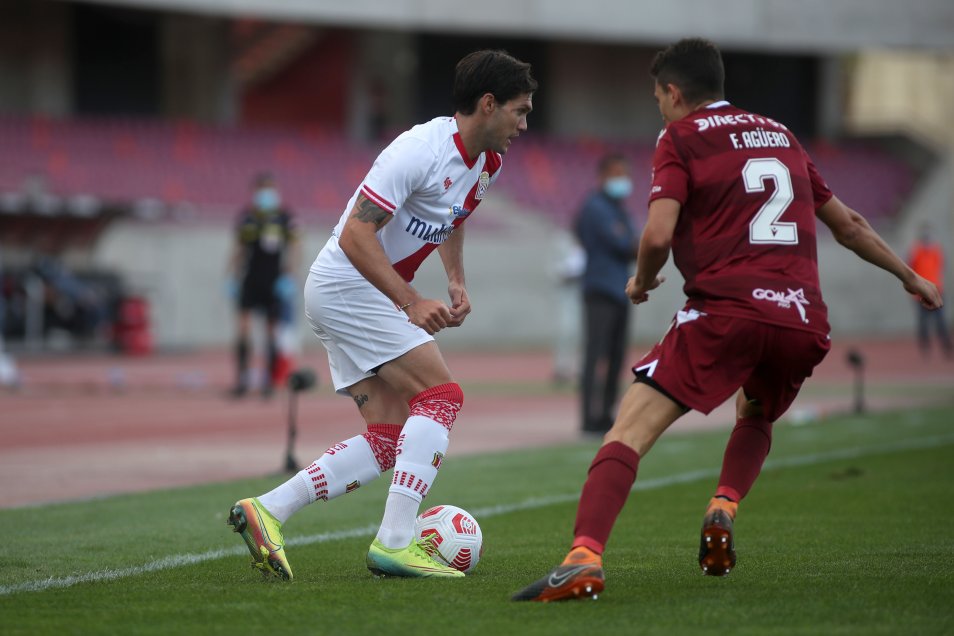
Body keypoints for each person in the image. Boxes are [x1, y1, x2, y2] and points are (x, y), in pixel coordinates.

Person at [512, 37, 943, 602]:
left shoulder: (680, 138)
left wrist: (642, 281)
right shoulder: (782, 135)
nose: (658, 108)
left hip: (727, 310)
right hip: (801, 319)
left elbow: (659, 232)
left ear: (672, 91)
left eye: (658, 96)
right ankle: (722, 505)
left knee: (629, 428)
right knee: (756, 411)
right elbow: (851, 225)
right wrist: (908, 277)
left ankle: (584, 557)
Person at [227, 50, 537, 580]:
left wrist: (456, 281)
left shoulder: (487, 162)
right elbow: (354, 234)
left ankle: (269, 510)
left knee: (390, 436)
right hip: (347, 285)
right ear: (488, 104)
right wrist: (411, 301)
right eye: (520, 111)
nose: (524, 125)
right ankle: (394, 542)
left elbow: (453, 216)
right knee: (440, 397)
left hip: (352, 292)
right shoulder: (418, 151)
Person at [575, 154, 638, 433]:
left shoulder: (618, 209)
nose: (621, 180)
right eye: (615, 174)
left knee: (616, 356)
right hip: (600, 288)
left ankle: (606, 414)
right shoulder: (596, 207)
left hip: (620, 288)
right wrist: (630, 240)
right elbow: (627, 244)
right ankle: (589, 418)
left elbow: (632, 241)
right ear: (602, 177)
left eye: (623, 174)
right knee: (595, 354)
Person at [226, 173, 300, 398]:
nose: (266, 195)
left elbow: (295, 249)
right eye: (262, 190)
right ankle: (242, 380)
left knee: (271, 332)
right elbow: (238, 249)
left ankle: (268, 382)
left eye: (271, 189)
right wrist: (231, 276)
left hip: (274, 280)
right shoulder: (247, 217)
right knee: (243, 330)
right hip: (250, 279)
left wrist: (289, 276)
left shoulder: (285, 217)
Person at [908, 223, 952, 358]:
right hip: (920, 294)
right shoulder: (916, 251)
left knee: (941, 321)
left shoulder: (936, 250)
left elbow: (940, 266)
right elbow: (910, 269)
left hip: (937, 290)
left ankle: (946, 345)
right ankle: (925, 348)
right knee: (923, 323)